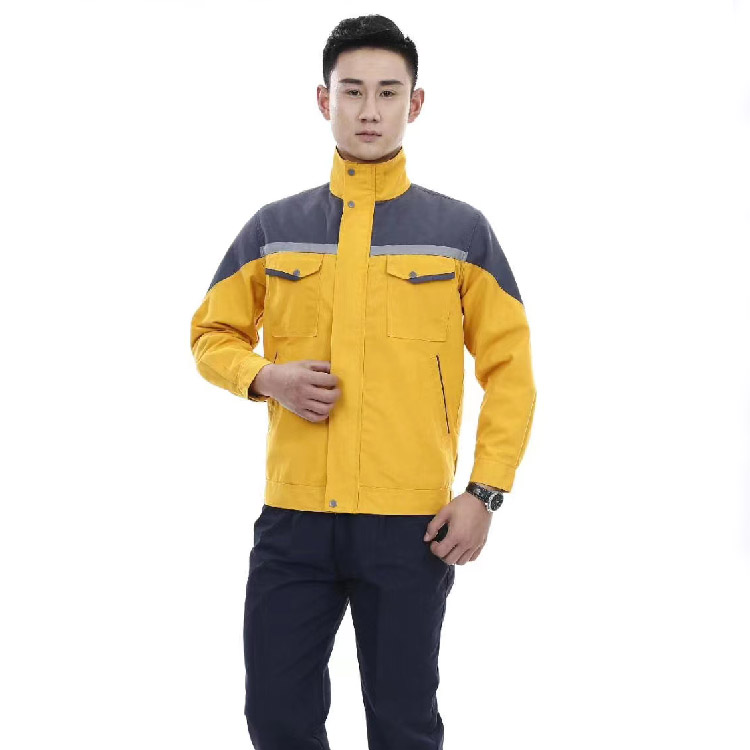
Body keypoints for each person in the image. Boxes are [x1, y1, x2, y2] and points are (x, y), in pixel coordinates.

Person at [189, 13, 537, 750]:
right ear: (325, 100)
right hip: (295, 521)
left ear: (416, 103)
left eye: (387, 92)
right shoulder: (272, 227)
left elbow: (511, 371)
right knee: (276, 717)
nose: (369, 110)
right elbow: (210, 334)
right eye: (352, 91)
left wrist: (484, 494)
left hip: (410, 527)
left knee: (404, 725)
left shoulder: (461, 233)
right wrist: (265, 377)